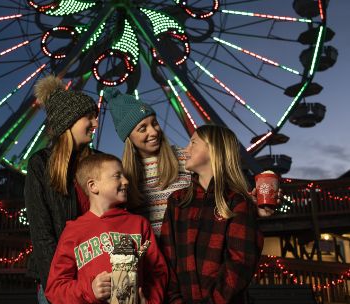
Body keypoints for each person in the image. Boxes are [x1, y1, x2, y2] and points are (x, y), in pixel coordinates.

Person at [103, 88, 274, 238]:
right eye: (142, 128)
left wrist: (252, 207)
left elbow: (216, 191)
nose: (153, 131)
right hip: (151, 258)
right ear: (128, 138)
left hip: (187, 249)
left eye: (154, 123)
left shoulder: (185, 158)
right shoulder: (124, 175)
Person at [44, 153, 168, 304]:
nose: (126, 181)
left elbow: (158, 273)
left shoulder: (139, 224)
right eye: (117, 176)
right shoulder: (73, 231)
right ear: (93, 186)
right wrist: (90, 290)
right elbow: (55, 288)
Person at [160, 125, 264, 304]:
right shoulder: (177, 201)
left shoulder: (237, 201)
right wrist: (174, 303)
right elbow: (166, 258)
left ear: (213, 149)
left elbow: (240, 263)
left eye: (193, 142)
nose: (185, 149)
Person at [24, 75, 98, 304]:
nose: (96, 123)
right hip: (58, 284)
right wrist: (59, 294)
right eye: (89, 116)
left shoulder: (100, 163)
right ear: (69, 120)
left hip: (98, 282)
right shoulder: (40, 165)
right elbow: (42, 235)